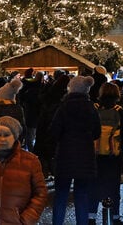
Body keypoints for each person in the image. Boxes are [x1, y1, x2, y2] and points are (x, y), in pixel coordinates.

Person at [50, 75, 101, 225]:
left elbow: (54, 131)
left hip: (65, 156)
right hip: (85, 156)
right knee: (82, 195)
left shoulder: (64, 106)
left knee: (61, 195)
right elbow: (97, 132)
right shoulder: (91, 107)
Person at [88, 82, 123, 225]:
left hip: (94, 156)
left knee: (93, 187)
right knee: (113, 188)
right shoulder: (120, 112)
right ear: (117, 95)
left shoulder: (94, 109)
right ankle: (114, 217)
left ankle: (90, 217)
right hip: (114, 157)